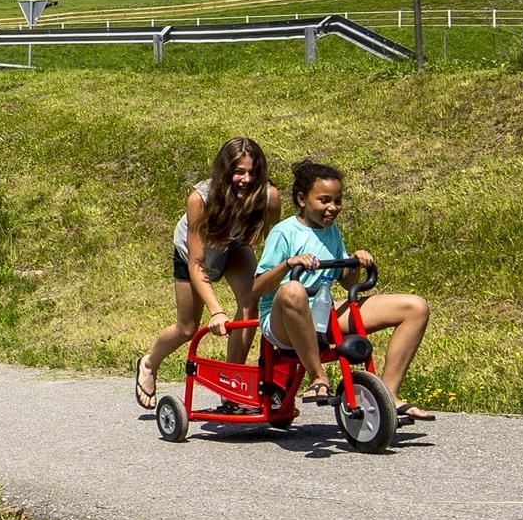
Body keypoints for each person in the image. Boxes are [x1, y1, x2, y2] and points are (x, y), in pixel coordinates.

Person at [253, 160, 434, 421]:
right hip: (283, 320)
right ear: (302, 199)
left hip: (322, 313)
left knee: (415, 307)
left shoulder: (332, 232)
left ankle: (388, 396)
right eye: (324, 200)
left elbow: (348, 284)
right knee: (293, 289)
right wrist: (288, 264)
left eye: (337, 201)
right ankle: (317, 377)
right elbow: (257, 289)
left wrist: (354, 262)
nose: (333, 207)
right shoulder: (284, 232)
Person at [135, 137, 283, 410]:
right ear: (225, 171)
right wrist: (217, 312)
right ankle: (149, 363)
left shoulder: (268, 196)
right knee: (187, 328)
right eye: (239, 172)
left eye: (253, 173)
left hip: (233, 246)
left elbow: (275, 247)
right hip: (193, 255)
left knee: (250, 302)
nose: (246, 180)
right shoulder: (200, 199)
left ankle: (232, 384)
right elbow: (197, 263)